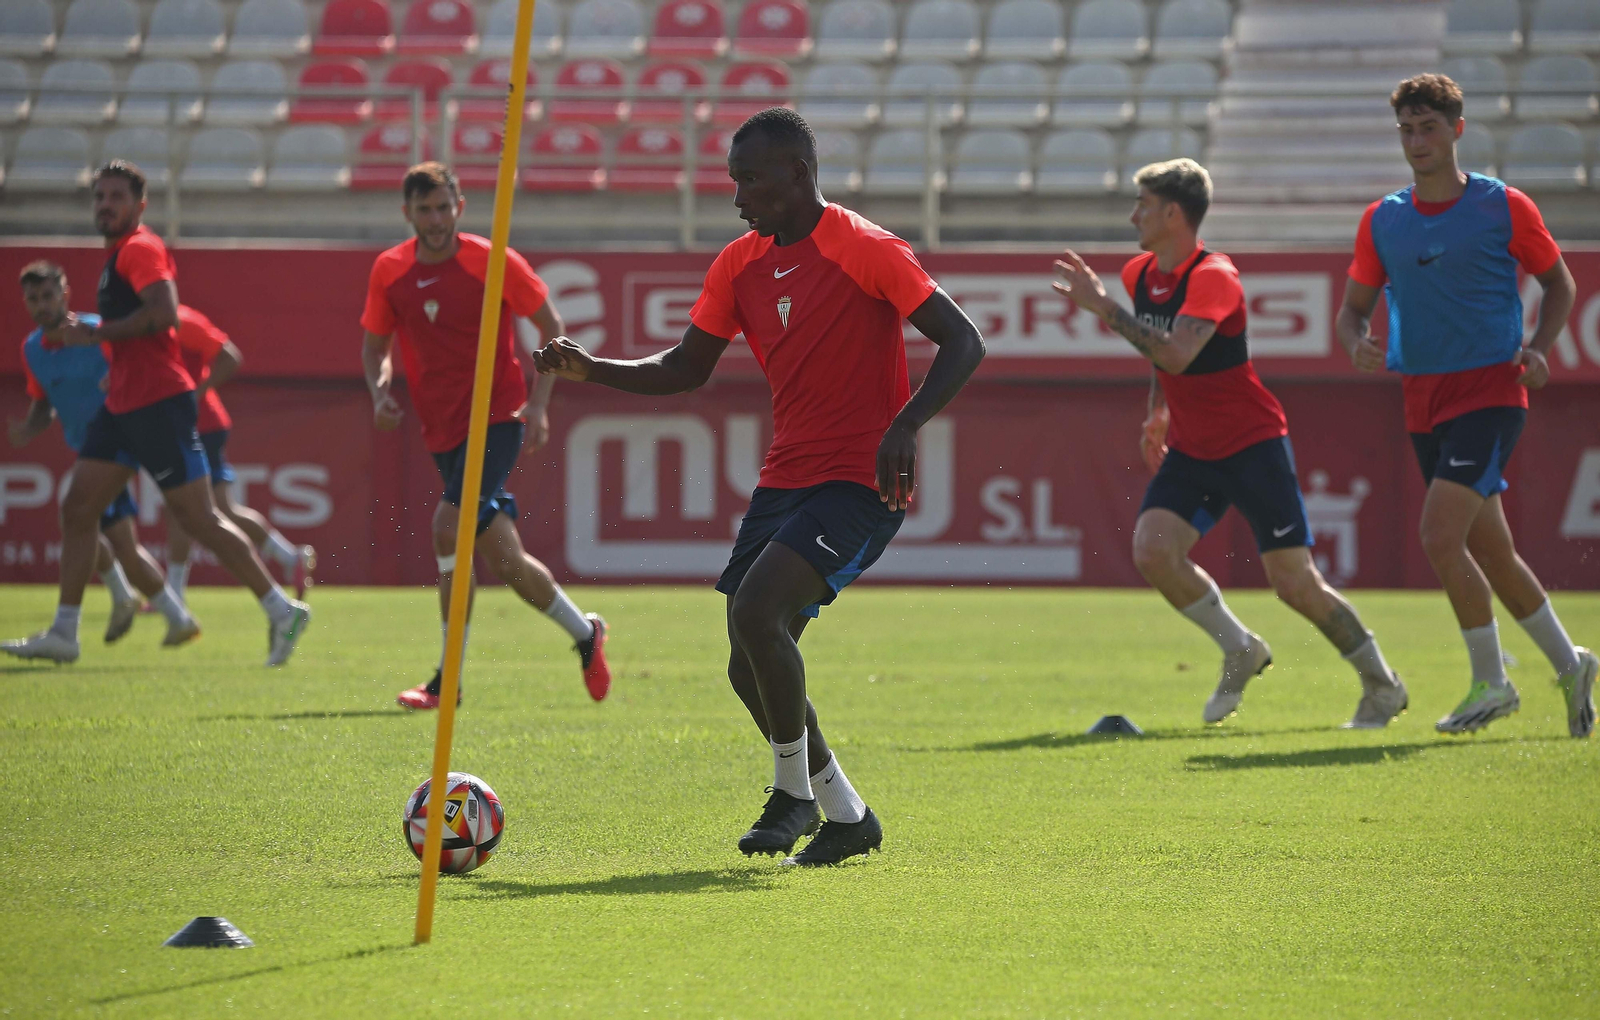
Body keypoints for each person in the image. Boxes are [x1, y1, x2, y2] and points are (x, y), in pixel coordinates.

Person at [535, 108, 986, 866]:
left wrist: (905, 424)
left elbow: (964, 341)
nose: (739, 197)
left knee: (756, 612)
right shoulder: (738, 264)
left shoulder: (866, 248)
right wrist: (595, 369)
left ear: (798, 174)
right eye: (733, 180)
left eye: (751, 180)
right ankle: (848, 816)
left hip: (859, 483)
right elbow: (686, 368)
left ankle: (792, 795)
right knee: (747, 662)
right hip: (785, 480)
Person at [1052, 159, 1407, 729]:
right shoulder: (1140, 273)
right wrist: (1158, 410)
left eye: (1144, 204)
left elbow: (1177, 353)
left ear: (1174, 213)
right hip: (1193, 447)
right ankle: (1240, 648)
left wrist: (1103, 307)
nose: (1134, 215)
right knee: (1153, 550)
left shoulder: (1214, 275)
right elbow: (1160, 354)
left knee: (1294, 583)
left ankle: (1382, 685)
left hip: (1251, 443)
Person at [1336, 74, 1595, 737]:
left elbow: (1560, 284)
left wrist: (1540, 347)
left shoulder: (1502, 205)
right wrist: (1355, 342)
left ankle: (1492, 683)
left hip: (1490, 391)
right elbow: (1352, 311)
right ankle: (1571, 666)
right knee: (1495, 553)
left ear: (1456, 129)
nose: (1416, 141)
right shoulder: (1382, 219)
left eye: (1428, 128)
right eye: (1406, 130)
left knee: (1437, 536)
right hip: (1421, 396)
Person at [0, 161, 310, 667]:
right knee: (78, 508)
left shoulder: (139, 248)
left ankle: (282, 609)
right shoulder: (117, 256)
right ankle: (64, 632)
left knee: (200, 519)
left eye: (116, 197)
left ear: (140, 205)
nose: (105, 205)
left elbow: (164, 314)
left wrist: (97, 335)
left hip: (156, 403)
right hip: (123, 403)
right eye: (100, 197)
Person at [360, 161, 609, 710]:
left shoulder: (492, 261)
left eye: (443, 208)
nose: (435, 219)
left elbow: (552, 327)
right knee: (506, 561)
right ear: (407, 213)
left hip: (498, 417)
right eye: (424, 210)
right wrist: (379, 392)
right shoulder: (390, 270)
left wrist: (538, 405)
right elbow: (375, 347)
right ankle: (586, 633)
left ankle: (445, 680)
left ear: (460, 207)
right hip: (441, 429)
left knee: (446, 529)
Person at [5, 260, 197, 654]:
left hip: (117, 446)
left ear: (65, 295)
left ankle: (99, 615)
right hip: (89, 453)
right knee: (102, 535)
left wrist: (120, 378)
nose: (41, 305)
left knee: (86, 522)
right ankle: (171, 615)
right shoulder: (31, 349)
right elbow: (43, 403)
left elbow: (135, 364)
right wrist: (28, 428)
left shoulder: (97, 331)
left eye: (48, 295)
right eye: (33, 298)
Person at [164, 304, 317, 601]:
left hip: (202, 426)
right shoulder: (141, 327)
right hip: (184, 427)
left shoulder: (183, 322)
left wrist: (194, 395)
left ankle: (174, 596)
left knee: (188, 508)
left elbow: (230, 356)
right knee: (209, 509)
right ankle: (290, 557)